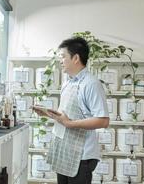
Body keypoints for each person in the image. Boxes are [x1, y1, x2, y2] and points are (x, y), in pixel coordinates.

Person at [33, 37, 109, 184]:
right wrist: (49, 113)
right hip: (65, 151)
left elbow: (103, 121)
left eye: (63, 57)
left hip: (82, 156)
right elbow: (67, 116)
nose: (60, 61)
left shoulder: (91, 84)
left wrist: (69, 124)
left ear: (75, 58)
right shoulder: (68, 82)